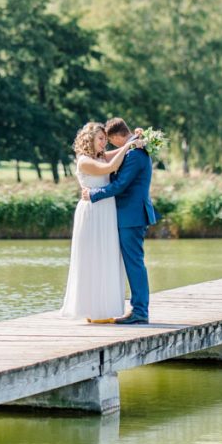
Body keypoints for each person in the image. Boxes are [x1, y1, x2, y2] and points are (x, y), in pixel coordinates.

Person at [60, 122, 141, 322]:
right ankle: (91, 310)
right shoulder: (84, 161)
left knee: (107, 256)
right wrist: (130, 145)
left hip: (106, 210)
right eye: (101, 138)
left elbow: (116, 153)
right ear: (90, 140)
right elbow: (112, 166)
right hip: (92, 212)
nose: (105, 142)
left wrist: (134, 140)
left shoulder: (100, 156)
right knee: (92, 257)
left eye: (105, 138)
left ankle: (104, 309)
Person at [81, 117, 157, 325]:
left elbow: (121, 185)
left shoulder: (134, 154)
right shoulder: (135, 149)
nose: (109, 144)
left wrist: (94, 193)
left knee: (134, 263)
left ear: (116, 136)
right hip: (129, 214)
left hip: (131, 216)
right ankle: (136, 308)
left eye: (110, 140)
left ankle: (140, 311)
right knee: (133, 262)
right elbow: (108, 163)